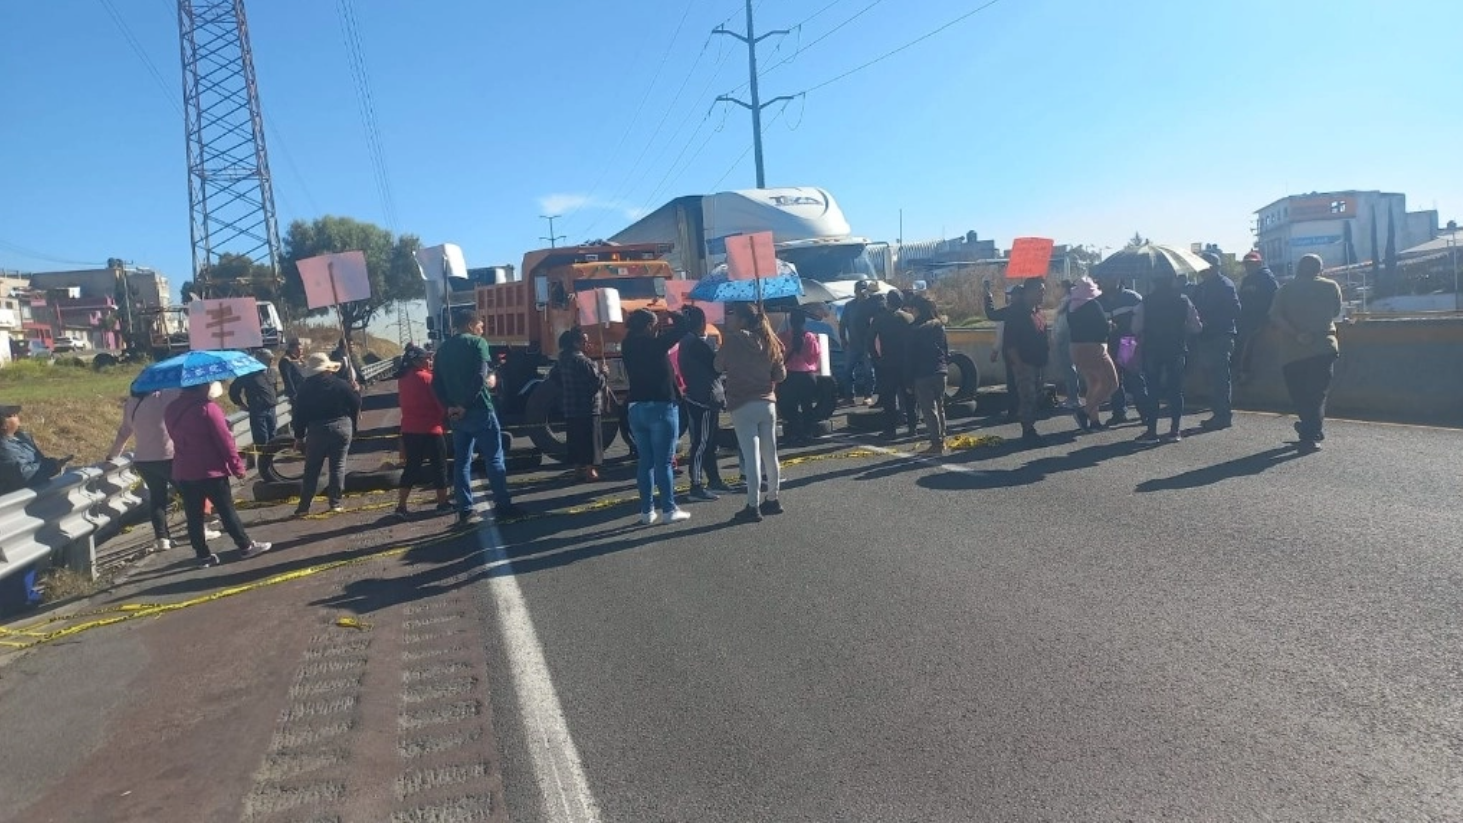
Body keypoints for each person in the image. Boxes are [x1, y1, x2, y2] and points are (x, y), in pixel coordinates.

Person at [432, 310, 526, 526]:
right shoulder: (478, 343)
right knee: (494, 458)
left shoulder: (442, 349)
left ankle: (465, 509)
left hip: (456, 415)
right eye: (480, 324)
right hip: (480, 409)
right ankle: (503, 504)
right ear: (471, 324)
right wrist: (465, 405)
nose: (482, 328)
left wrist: (450, 407)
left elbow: (435, 383)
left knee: (462, 461)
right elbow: (480, 376)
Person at [163, 382, 270, 567]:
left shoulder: (171, 408)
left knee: (193, 515)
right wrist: (237, 466)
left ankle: (203, 556)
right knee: (226, 511)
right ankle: (245, 546)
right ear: (203, 387)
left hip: (184, 469)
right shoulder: (208, 408)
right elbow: (224, 441)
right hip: (211, 470)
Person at [108, 387, 217, 552]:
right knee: (191, 495)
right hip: (169, 456)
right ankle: (201, 530)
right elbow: (203, 395)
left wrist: (112, 455)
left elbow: (124, 431)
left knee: (157, 499)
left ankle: (162, 539)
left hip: (143, 460)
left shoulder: (131, 403)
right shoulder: (168, 395)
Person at [716, 302, 787, 523]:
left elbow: (717, 365)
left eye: (732, 315)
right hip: (767, 403)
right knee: (770, 454)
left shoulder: (734, 340)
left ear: (743, 320)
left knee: (751, 456)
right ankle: (773, 499)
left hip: (742, 403)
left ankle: (752, 505)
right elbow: (781, 375)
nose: (729, 318)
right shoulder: (770, 341)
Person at [1269, 253, 1343, 454]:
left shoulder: (1285, 290)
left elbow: (1275, 316)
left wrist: (1297, 334)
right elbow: (1336, 312)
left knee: (1300, 394)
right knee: (1317, 394)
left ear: (1298, 269)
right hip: (1324, 347)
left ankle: (1310, 433)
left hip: (1293, 351)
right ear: (1320, 269)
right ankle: (1311, 431)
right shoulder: (1331, 286)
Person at [622, 309, 690, 526]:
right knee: (664, 462)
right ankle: (669, 509)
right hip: (661, 405)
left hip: (636, 406)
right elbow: (684, 327)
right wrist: (672, 313)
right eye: (655, 324)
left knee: (646, 462)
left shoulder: (627, 344)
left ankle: (646, 511)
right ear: (649, 326)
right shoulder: (656, 344)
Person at [1131, 271, 1202, 442]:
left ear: (1154, 282)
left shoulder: (1146, 302)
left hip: (1153, 349)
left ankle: (1151, 431)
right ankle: (1174, 430)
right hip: (1176, 348)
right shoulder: (1183, 300)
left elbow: (1135, 328)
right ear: (1173, 281)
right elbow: (1196, 327)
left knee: (1153, 390)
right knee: (1175, 390)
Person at [291, 352, 361, 517]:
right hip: (342, 426)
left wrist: (299, 437)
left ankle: (304, 507)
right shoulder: (341, 384)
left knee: (312, 469)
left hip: (317, 429)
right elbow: (355, 403)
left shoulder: (304, 389)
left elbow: (298, 415)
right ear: (327, 368)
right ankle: (335, 503)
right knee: (337, 467)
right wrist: (356, 390)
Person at [984, 278, 1049, 444]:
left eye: (1043, 291)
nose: (1043, 294)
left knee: (1037, 396)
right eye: (1040, 291)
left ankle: (1029, 424)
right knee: (1027, 396)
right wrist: (1018, 364)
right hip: (1024, 362)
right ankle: (1028, 429)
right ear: (1029, 292)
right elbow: (1010, 342)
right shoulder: (1016, 312)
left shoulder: (1038, 312)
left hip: (1039, 362)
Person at [391, 344, 452, 521]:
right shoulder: (428, 378)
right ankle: (442, 504)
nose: (430, 361)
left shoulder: (403, 378)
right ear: (417, 361)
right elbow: (439, 403)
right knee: (439, 467)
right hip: (431, 429)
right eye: (427, 358)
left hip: (410, 430)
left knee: (411, 468)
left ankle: (401, 506)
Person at [678, 305, 730, 501]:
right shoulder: (697, 344)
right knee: (701, 443)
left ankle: (714, 479)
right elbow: (717, 366)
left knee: (708, 442)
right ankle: (696, 485)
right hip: (704, 398)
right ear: (700, 323)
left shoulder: (686, 342)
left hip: (697, 395)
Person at [1190, 251, 1241, 430]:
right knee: (1212, 378)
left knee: (1220, 378)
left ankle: (1223, 415)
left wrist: (1210, 320)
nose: (1203, 271)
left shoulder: (1224, 285)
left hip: (1220, 335)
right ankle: (1218, 413)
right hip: (1206, 336)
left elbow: (1234, 310)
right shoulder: (1202, 287)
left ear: (1215, 267)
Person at [1065, 276, 1118, 431]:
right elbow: (1103, 328)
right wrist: (1111, 326)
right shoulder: (1093, 305)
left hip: (1075, 349)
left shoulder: (1071, 306)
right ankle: (1085, 412)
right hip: (1095, 348)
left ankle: (1094, 421)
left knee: (1093, 384)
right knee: (1111, 383)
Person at [557, 328, 607, 482]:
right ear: (576, 343)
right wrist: (604, 373)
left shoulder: (563, 359)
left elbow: (553, 378)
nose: (587, 344)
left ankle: (578, 469)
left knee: (575, 439)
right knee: (591, 440)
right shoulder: (584, 361)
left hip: (571, 406)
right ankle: (590, 470)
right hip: (588, 406)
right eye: (584, 341)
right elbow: (595, 383)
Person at [1096, 275, 1144, 425]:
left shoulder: (1132, 298)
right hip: (1108, 344)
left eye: (1110, 278)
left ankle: (1145, 412)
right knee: (1113, 380)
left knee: (1133, 378)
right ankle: (1119, 412)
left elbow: (1142, 320)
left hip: (1128, 343)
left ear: (1119, 280)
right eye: (1104, 279)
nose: (1106, 282)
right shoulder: (1098, 301)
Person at [868, 290, 916, 439]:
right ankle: (912, 427)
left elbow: (870, 340)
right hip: (907, 362)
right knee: (909, 397)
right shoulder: (909, 318)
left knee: (889, 399)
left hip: (887, 363)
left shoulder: (880, 319)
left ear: (888, 302)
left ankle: (890, 430)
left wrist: (876, 358)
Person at [906, 294, 950, 455]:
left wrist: (908, 380)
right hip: (941, 371)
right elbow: (946, 350)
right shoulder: (939, 326)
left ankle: (935, 444)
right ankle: (942, 440)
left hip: (923, 374)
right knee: (940, 407)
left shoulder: (915, 329)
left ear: (917, 309)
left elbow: (910, 356)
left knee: (929, 410)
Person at [0, 405, 71, 495]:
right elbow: (25, 475)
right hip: (16, 500)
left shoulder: (22, 437)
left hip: (35, 493)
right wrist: (51, 466)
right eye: (12, 415)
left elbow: (38, 461)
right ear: (3, 425)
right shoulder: (3, 448)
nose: (17, 416)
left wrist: (53, 464)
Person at [777, 309, 822, 445]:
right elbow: (812, 358)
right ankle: (807, 433)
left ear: (790, 322)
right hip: (806, 376)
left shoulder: (782, 337)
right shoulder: (810, 337)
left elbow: (777, 356)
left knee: (790, 407)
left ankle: (793, 433)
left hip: (789, 376)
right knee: (807, 406)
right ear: (804, 321)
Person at [1236, 250, 1279, 384]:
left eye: (1252, 264)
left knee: (1248, 341)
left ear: (1259, 264)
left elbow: (1276, 297)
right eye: (1247, 264)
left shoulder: (1267, 278)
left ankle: (1245, 372)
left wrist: (1269, 316)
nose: (1249, 267)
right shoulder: (1247, 279)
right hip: (1245, 319)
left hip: (1260, 319)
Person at [228, 349, 279, 462]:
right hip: (258, 411)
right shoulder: (248, 374)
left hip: (271, 409)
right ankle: (264, 466)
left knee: (273, 437)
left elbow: (274, 388)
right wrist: (240, 403)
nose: (270, 361)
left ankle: (272, 463)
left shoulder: (272, 372)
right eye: (268, 359)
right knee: (262, 439)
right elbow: (233, 390)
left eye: (271, 359)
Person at [839, 281, 876, 403]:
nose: (862, 292)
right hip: (853, 343)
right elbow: (843, 323)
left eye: (864, 289)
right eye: (860, 289)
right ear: (855, 291)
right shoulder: (849, 306)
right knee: (847, 370)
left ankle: (868, 395)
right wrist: (843, 338)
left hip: (868, 344)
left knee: (868, 371)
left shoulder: (872, 304)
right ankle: (849, 396)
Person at [1051, 280, 1082, 410]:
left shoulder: (1068, 302)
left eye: (1058, 286)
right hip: (1067, 340)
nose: (1056, 289)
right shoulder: (1069, 301)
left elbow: (1062, 325)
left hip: (1065, 340)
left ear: (1064, 288)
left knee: (1069, 369)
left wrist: (1056, 339)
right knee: (1069, 369)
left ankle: (1073, 398)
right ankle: (1073, 397)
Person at [279, 338, 306, 404]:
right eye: (297, 349)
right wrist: (293, 394)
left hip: (304, 390)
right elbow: (288, 379)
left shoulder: (299, 359)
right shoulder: (286, 361)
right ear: (291, 349)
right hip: (296, 393)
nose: (300, 351)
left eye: (301, 349)